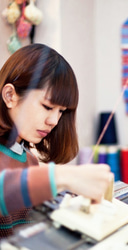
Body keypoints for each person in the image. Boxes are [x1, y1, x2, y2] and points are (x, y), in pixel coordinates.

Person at [0, 43, 113, 238]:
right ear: (10, 96)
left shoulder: (29, 160)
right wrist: (63, 177)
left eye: (61, 111)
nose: (53, 121)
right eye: (47, 106)